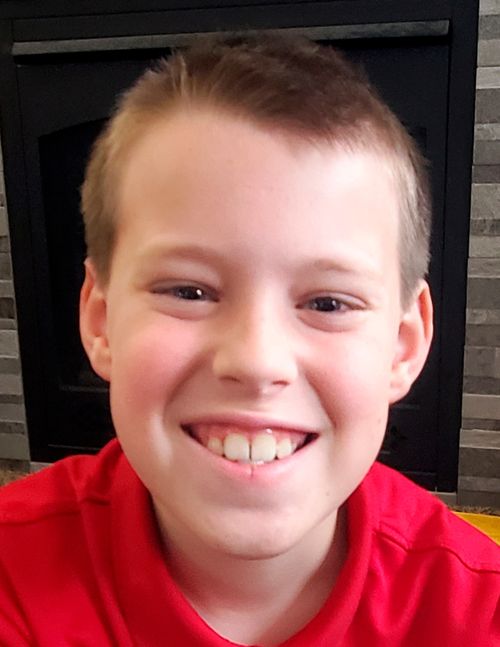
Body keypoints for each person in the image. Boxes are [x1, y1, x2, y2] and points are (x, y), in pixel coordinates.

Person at [0, 33, 498, 646]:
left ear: (402, 344)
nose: (256, 361)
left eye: (327, 303)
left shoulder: (477, 609)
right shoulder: (14, 574)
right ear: (102, 320)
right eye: (188, 291)